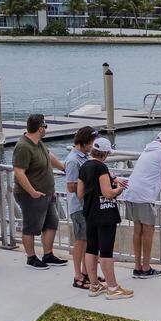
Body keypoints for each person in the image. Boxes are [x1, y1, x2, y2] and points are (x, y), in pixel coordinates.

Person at [77, 137, 133, 299]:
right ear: (106, 153)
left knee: (91, 248)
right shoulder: (101, 168)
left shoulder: (85, 166)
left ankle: (94, 285)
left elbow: (80, 193)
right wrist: (118, 189)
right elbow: (108, 193)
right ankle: (113, 287)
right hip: (105, 213)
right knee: (106, 251)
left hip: (90, 212)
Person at [12, 113, 67, 270]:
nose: (45, 130)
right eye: (45, 127)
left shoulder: (39, 143)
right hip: (31, 195)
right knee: (31, 226)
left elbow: (49, 156)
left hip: (48, 193)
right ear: (40, 128)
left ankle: (48, 254)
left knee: (52, 222)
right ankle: (31, 258)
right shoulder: (23, 146)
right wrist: (32, 191)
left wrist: (64, 167)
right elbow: (19, 172)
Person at [122, 130, 161, 279]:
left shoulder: (148, 150)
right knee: (149, 230)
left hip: (131, 192)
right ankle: (146, 268)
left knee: (138, 230)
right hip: (144, 196)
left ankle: (137, 267)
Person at [64, 126, 98, 288]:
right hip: (79, 207)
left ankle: (87, 273)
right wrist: (92, 183)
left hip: (87, 205)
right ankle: (78, 275)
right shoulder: (73, 160)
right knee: (80, 241)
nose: (93, 146)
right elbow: (71, 186)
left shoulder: (84, 157)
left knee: (88, 241)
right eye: (91, 142)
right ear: (84, 141)